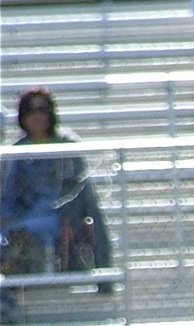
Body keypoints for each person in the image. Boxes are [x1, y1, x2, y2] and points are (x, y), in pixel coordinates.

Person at [1, 88, 114, 278]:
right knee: (10, 233)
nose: (37, 116)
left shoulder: (66, 146)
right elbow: (9, 195)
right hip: (25, 214)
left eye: (42, 110)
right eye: (30, 110)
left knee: (28, 230)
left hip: (60, 215)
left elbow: (80, 194)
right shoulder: (16, 152)